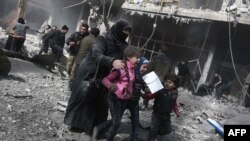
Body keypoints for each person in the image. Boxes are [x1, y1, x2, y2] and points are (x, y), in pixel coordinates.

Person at [64, 19, 132, 135]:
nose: (126, 33)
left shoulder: (124, 45)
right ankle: (76, 124)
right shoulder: (103, 38)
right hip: (90, 70)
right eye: (124, 30)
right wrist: (112, 61)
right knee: (84, 94)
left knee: (101, 100)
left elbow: (128, 59)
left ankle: (94, 127)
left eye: (128, 31)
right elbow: (96, 54)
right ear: (117, 29)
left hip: (106, 74)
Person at [91, 56, 149, 141]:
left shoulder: (143, 77)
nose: (145, 69)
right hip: (125, 100)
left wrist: (149, 90)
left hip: (134, 102)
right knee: (116, 120)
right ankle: (98, 128)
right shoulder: (131, 72)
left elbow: (144, 88)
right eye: (144, 67)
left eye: (147, 68)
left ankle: (134, 138)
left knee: (135, 122)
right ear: (139, 65)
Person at [100, 46, 140, 141]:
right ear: (129, 57)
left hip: (124, 98)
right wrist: (110, 85)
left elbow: (130, 82)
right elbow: (105, 79)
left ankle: (98, 129)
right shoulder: (121, 68)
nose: (138, 60)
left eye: (139, 57)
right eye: (136, 57)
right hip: (115, 97)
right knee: (116, 122)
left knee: (116, 121)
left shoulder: (132, 69)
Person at [142, 74, 180, 141]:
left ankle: (157, 135)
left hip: (166, 115)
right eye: (166, 81)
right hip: (157, 114)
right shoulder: (160, 90)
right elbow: (151, 96)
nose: (167, 83)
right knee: (154, 130)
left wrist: (177, 111)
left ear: (174, 85)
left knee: (167, 130)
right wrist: (143, 95)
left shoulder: (175, 93)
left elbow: (174, 103)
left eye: (170, 82)